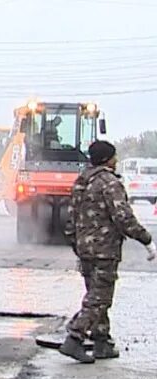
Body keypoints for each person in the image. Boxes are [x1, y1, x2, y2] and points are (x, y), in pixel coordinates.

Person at [57, 140, 156, 363]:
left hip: (85, 249)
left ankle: (102, 342)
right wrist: (147, 240)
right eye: (114, 157)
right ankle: (74, 338)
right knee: (99, 299)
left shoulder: (81, 181)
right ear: (107, 159)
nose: (116, 160)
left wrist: (77, 244)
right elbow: (124, 218)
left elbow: (70, 220)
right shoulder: (109, 183)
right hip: (104, 251)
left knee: (95, 293)